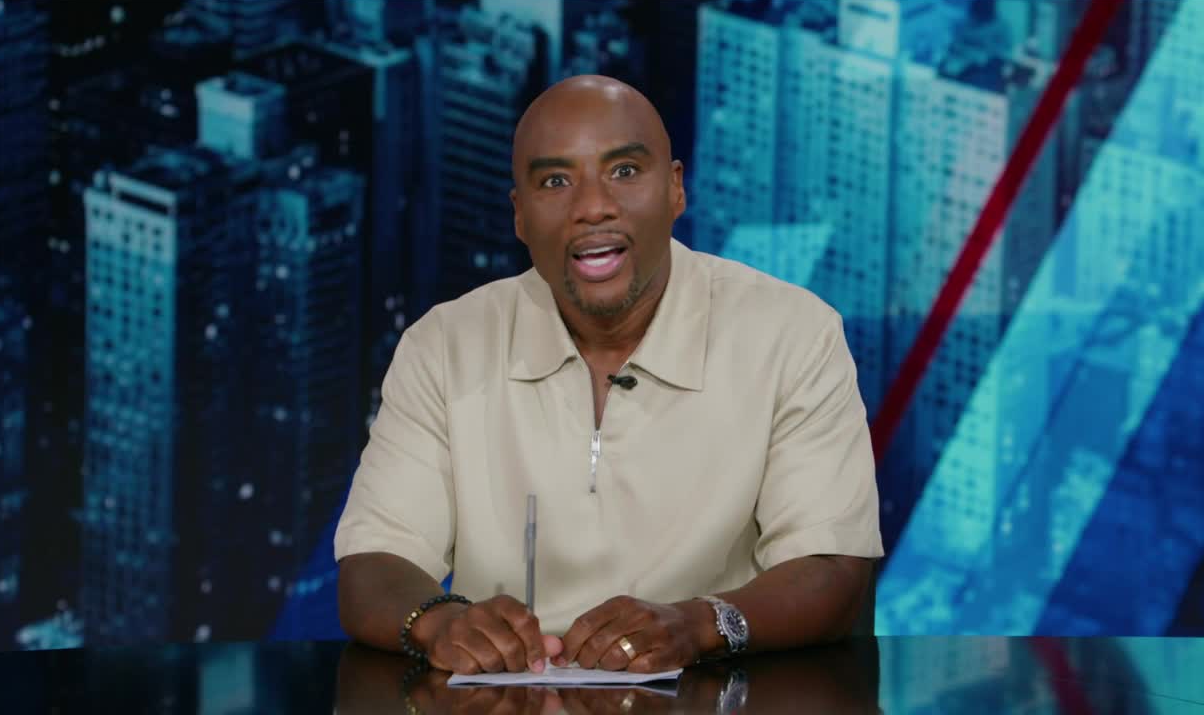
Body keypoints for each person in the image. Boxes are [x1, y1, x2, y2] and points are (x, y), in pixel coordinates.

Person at [334, 74, 884, 676]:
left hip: (716, 692)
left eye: (624, 171)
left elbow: (833, 569)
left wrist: (697, 624)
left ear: (675, 189)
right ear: (519, 216)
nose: (592, 206)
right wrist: (442, 623)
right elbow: (374, 562)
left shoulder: (794, 333)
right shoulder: (444, 345)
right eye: (555, 181)